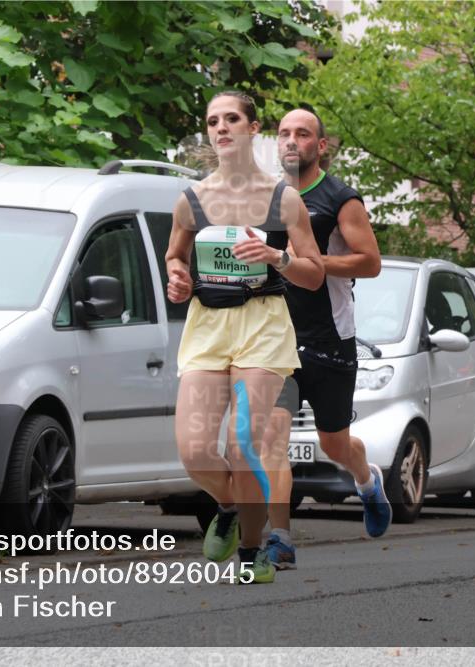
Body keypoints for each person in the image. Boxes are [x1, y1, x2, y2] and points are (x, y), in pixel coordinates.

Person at [165, 92, 324, 584]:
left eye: (231, 118)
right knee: (194, 451)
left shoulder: (284, 199)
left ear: (253, 128)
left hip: (263, 324)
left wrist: (277, 259)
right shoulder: (191, 200)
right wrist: (177, 278)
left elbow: (315, 274)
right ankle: (229, 507)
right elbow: (174, 257)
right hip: (207, 326)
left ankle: (253, 551)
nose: (221, 128)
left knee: (243, 445)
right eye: (213, 121)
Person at [263, 108, 392, 570]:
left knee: (334, 444)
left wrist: (309, 261)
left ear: (321, 146)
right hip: (275, 337)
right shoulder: (267, 196)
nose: (291, 141)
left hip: (329, 336)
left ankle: (366, 480)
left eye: (303, 134)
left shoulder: (339, 199)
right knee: (271, 435)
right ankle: (278, 537)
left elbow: (370, 262)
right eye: (283, 134)